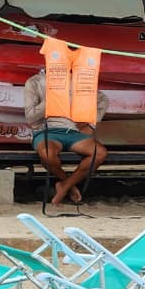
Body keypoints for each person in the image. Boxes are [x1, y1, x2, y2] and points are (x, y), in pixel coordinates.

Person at [23, 71, 109, 207]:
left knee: (99, 153)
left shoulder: (79, 78)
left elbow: (102, 98)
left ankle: (64, 186)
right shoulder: (35, 81)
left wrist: (91, 124)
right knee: (47, 154)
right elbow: (30, 118)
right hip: (46, 130)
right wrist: (51, 98)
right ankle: (69, 185)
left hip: (73, 131)